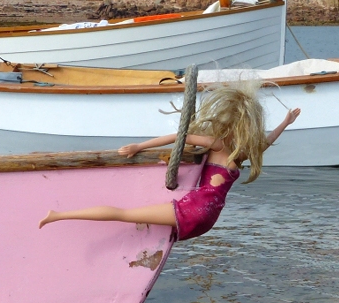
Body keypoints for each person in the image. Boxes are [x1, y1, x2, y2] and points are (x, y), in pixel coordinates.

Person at [38, 81, 300, 240]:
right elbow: (264, 144)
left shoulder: (220, 145)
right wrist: (285, 123)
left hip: (193, 209)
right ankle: (61, 215)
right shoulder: (238, 153)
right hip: (209, 218)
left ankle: (59, 215)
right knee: (133, 218)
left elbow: (179, 136)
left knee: (123, 214)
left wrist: (140, 145)